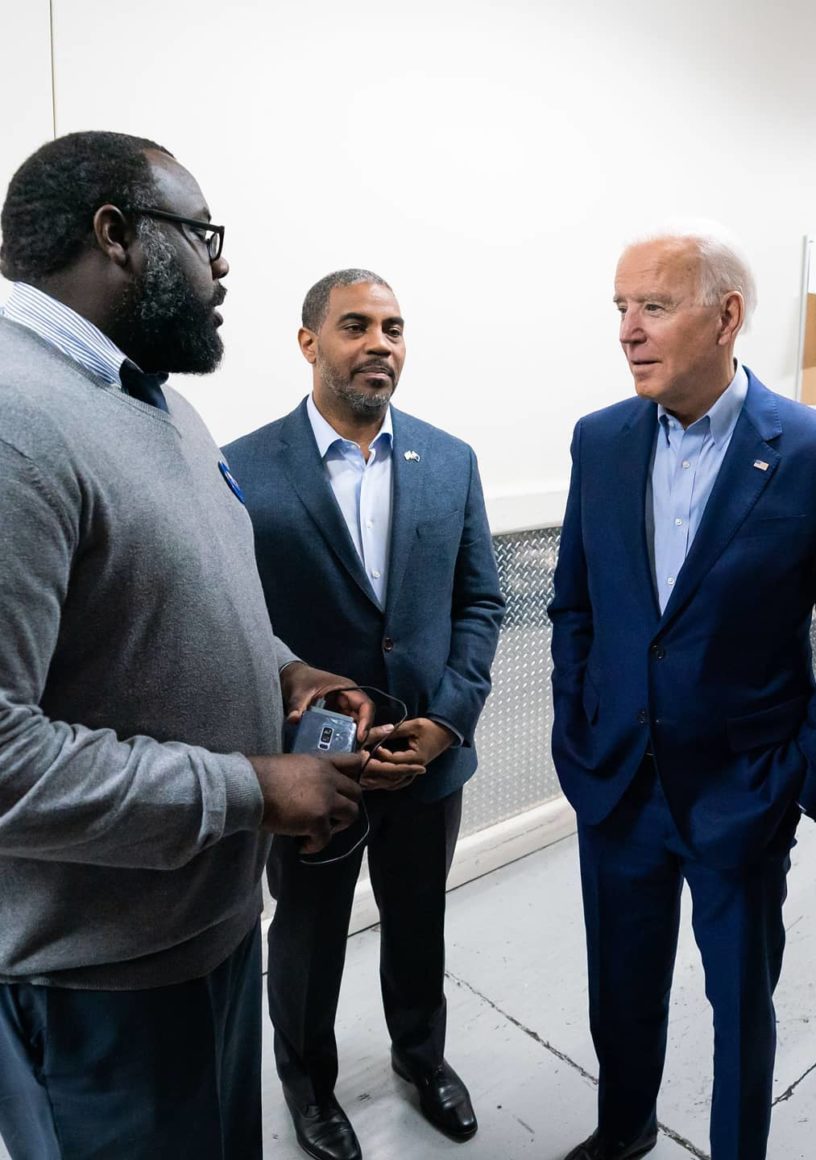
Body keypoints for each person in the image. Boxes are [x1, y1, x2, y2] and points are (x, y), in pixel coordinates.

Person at [0, 132, 375, 1159]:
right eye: (202, 236)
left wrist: (284, 668)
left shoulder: (160, 406)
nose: (223, 266)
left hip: (205, 930)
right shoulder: (14, 421)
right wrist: (251, 787)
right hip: (98, 983)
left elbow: (162, 598)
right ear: (116, 235)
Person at [549, 222, 816, 1160]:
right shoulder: (601, 441)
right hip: (616, 782)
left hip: (742, 792)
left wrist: (797, 781)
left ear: (726, 317)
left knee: (740, 1004)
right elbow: (574, 605)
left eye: (654, 307)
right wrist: (575, 729)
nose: (628, 330)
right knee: (620, 987)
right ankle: (624, 1131)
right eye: (621, 308)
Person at [224, 269, 504, 1160]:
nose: (380, 343)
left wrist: (447, 721)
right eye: (356, 326)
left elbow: (480, 603)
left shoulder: (449, 459)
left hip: (425, 757)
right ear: (309, 342)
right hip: (311, 769)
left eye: (394, 327)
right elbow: (236, 621)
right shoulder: (239, 467)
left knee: (419, 923)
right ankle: (308, 1085)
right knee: (307, 937)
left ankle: (422, 1059)